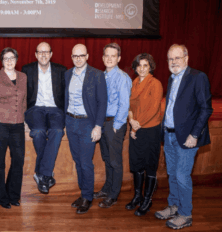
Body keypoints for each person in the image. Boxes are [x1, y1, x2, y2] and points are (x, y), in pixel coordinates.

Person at [154, 44, 213, 229]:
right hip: (170, 135)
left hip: (188, 138)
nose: (173, 62)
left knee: (181, 175)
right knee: (172, 173)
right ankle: (174, 206)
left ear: (186, 58)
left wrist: (194, 135)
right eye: (170, 59)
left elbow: (206, 108)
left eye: (177, 58)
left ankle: (186, 214)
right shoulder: (172, 78)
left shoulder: (198, 77)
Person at [66, 44, 108, 214]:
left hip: (87, 124)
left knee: (85, 163)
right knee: (78, 162)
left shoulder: (97, 75)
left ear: (87, 56)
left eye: (81, 55)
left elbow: (102, 103)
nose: (78, 59)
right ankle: (83, 193)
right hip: (70, 122)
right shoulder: (67, 74)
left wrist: (98, 126)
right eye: (75, 56)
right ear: (71, 57)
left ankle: (88, 197)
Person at [22, 42, 67, 194]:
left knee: (58, 131)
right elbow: (21, 94)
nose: (43, 55)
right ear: (35, 54)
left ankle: (42, 174)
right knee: (38, 131)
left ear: (51, 54)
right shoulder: (27, 70)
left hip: (55, 109)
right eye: (40, 52)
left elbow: (66, 95)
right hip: (35, 108)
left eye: (46, 52)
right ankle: (46, 175)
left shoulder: (61, 70)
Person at [0, 47, 27, 209]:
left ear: (16, 60)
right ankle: (0, 197)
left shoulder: (23, 77)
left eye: (12, 58)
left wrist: (24, 120)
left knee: (18, 160)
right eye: (6, 58)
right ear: (2, 61)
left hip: (18, 125)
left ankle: (13, 195)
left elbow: (24, 101)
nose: (9, 61)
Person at [94, 43, 132, 208]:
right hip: (102, 123)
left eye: (113, 56)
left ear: (119, 58)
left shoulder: (122, 78)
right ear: (103, 58)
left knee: (115, 161)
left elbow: (124, 105)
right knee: (107, 158)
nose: (109, 59)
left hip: (114, 124)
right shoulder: (102, 76)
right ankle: (107, 189)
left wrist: (116, 125)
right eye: (106, 56)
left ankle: (114, 195)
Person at [125, 53, 163, 216]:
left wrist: (135, 128)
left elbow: (153, 110)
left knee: (150, 167)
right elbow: (129, 106)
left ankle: (148, 199)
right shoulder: (133, 83)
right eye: (139, 65)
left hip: (150, 131)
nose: (141, 68)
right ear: (135, 68)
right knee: (137, 165)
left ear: (150, 67)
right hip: (136, 128)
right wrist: (131, 121)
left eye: (145, 65)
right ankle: (138, 196)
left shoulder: (155, 84)